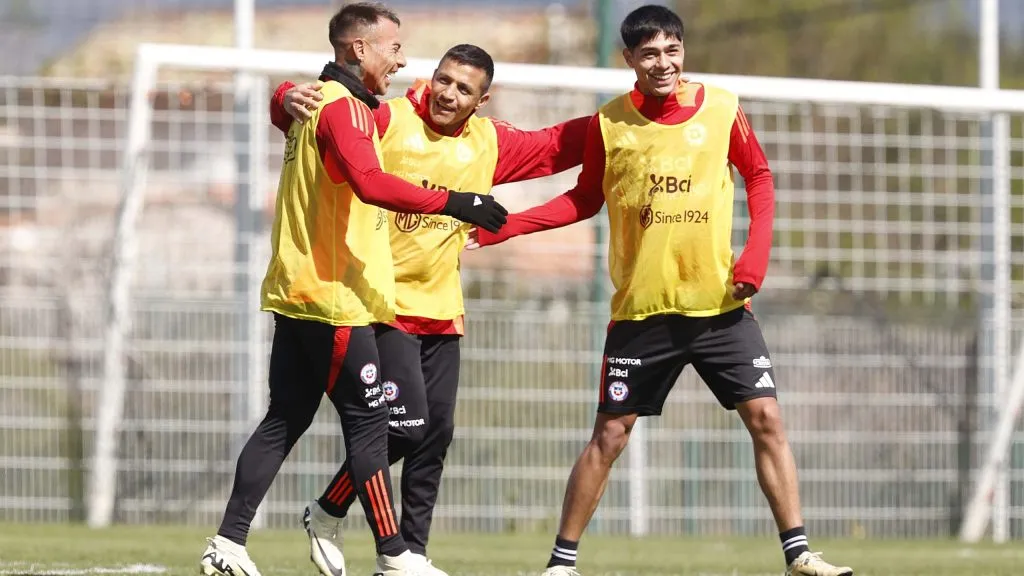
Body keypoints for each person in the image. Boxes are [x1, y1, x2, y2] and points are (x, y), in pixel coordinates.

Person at [465, 5, 853, 576]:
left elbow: (759, 177)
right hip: (643, 311)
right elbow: (584, 198)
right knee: (609, 436)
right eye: (649, 53)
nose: (663, 63)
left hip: (720, 308)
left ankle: (798, 554)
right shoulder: (610, 123)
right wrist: (506, 225)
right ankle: (561, 563)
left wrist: (755, 256)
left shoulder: (722, 109)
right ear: (630, 59)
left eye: (672, 50)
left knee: (767, 418)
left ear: (683, 51)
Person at [199, 4, 509, 576]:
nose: (401, 60)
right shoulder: (344, 109)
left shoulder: (317, 100)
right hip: (335, 297)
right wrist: (455, 202)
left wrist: (281, 96)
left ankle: (228, 543)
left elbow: (292, 115)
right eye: (394, 48)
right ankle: (394, 554)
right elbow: (369, 183)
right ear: (360, 49)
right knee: (371, 426)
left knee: (285, 418)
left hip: (296, 290)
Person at [270, 43, 590, 576]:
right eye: (444, 79)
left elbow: (557, 144)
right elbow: (318, 121)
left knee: (435, 434)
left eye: (464, 89)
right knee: (406, 427)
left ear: (481, 101)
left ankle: (410, 552)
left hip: (442, 308)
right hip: (381, 304)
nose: (449, 94)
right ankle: (337, 517)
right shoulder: (386, 118)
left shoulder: (489, 143)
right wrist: (283, 96)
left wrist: (628, 116)